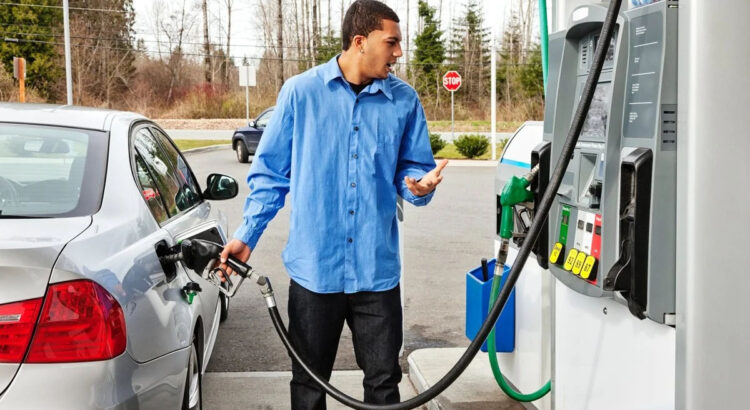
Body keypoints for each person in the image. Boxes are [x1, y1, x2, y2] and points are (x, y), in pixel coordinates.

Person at [220, 0, 447, 408]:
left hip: (376, 273)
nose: (398, 52)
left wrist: (418, 186)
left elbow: (412, 170)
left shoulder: (405, 101)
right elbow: (270, 176)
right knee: (309, 386)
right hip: (314, 273)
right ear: (360, 42)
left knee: (383, 385)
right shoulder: (300, 93)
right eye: (392, 42)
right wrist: (246, 236)